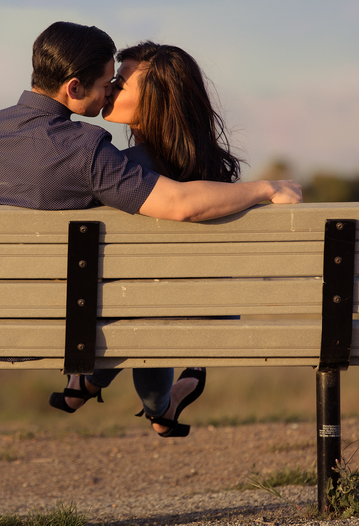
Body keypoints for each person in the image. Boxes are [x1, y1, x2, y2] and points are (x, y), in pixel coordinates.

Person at [0, 22, 301, 516]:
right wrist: (265, 190)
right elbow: (178, 203)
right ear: (73, 88)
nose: (111, 88)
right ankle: (139, 397)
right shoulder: (88, 150)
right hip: (63, 332)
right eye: (108, 80)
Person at [48, 41, 242, 437]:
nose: (108, 89)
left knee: (136, 308)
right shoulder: (217, 179)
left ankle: (88, 384)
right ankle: (159, 408)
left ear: (154, 101)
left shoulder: (120, 171)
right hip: (204, 315)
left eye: (119, 84)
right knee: (147, 306)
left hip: (123, 313)